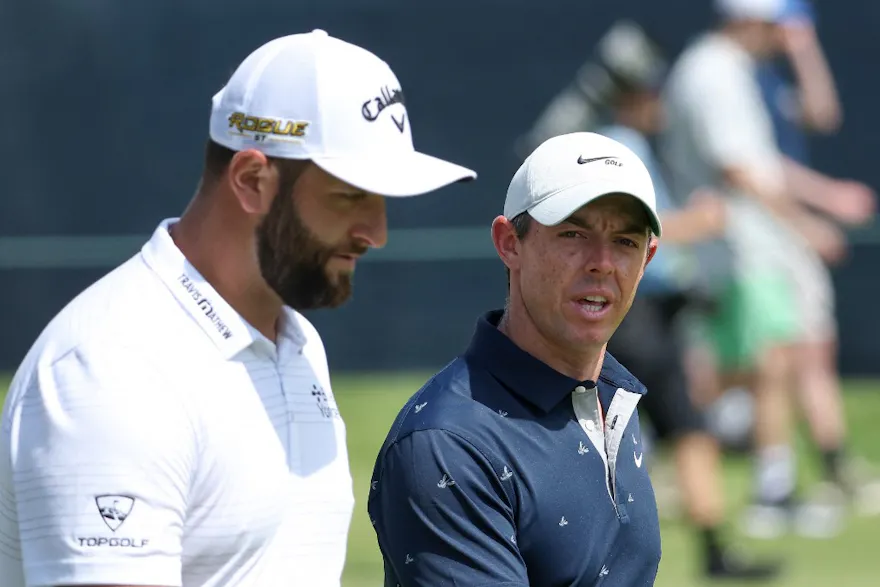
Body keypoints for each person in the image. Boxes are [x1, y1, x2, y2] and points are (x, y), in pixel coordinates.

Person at [0, 29, 476, 587]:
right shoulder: (108, 370)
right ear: (252, 181)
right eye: (349, 196)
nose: (377, 232)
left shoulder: (295, 342)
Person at [368, 131, 663, 586]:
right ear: (509, 243)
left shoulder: (613, 400)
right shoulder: (447, 445)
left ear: (648, 258)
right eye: (573, 234)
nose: (602, 262)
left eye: (625, 242)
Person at [591, 26, 783, 579]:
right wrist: (698, 223)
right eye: (651, 94)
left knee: (689, 428)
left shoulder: (636, 145)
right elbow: (623, 228)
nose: (660, 103)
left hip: (654, 314)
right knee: (612, 438)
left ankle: (714, 550)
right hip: (630, 317)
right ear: (632, 97)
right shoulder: (618, 147)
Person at [659, 0, 854, 538]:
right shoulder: (715, 72)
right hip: (736, 245)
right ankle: (758, 486)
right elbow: (739, 167)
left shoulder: (730, 69)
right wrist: (808, 225)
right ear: (747, 20)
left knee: (763, 362)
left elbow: (767, 154)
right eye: (773, 24)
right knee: (758, 363)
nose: (780, 35)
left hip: (743, 243)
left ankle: (771, 486)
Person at [754, 0, 880, 524]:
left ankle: (829, 467)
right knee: (772, 361)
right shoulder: (737, 78)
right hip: (766, 235)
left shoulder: (771, 76)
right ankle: (776, 486)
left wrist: (804, 49)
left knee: (810, 352)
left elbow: (822, 112)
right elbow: (755, 164)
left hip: (787, 233)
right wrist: (822, 206)